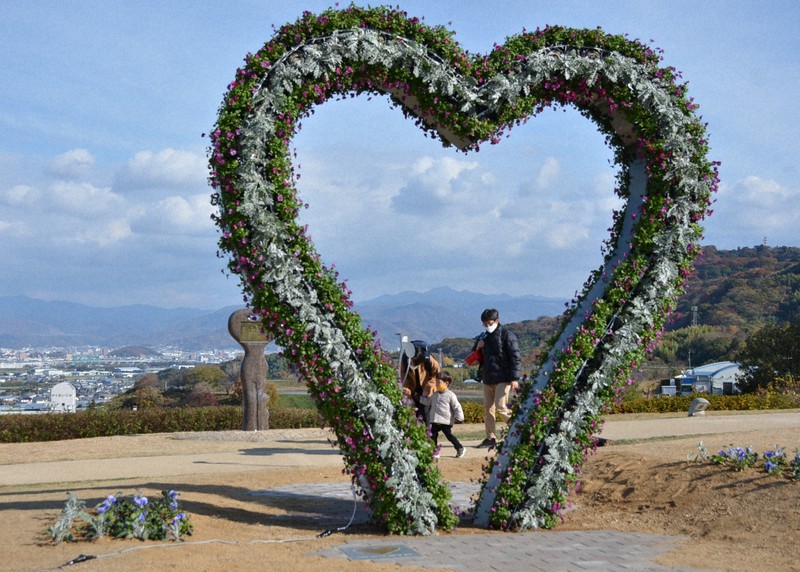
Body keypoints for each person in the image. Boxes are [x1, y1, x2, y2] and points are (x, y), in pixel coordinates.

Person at [473, 308, 521, 448]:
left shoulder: (507, 335)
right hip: (487, 377)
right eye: (485, 324)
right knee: (488, 409)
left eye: (490, 322)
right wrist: (478, 347)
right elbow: (474, 358)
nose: (488, 326)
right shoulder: (483, 337)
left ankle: (519, 429)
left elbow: (515, 357)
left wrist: (514, 378)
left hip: (503, 378)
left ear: (497, 321)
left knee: (501, 407)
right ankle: (490, 438)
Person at [420, 371, 465, 458]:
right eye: (436, 382)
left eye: (439, 382)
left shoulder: (450, 395)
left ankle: (460, 448)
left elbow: (457, 407)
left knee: (449, 436)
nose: (437, 384)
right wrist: (419, 398)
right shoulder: (435, 395)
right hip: (435, 420)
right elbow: (428, 402)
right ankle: (435, 452)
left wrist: (460, 418)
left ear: (446, 383)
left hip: (445, 421)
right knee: (433, 436)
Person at [400, 340, 440, 421]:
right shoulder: (404, 360)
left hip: (426, 390)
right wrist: (409, 397)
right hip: (412, 390)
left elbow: (437, 375)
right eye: (411, 362)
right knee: (412, 413)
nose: (412, 364)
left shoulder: (429, 360)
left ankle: (428, 431)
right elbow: (403, 380)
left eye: (415, 363)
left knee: (425, 413)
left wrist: (429, 387)